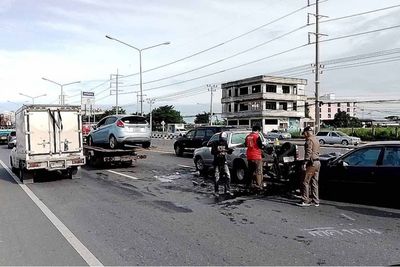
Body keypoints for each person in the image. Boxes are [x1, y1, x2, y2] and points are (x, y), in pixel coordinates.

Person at [298, 126, 321, 207]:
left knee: (306, 181)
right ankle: (316, 201)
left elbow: (309, 153)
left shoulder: (309, 140)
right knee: (315, 182)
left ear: (307, 132)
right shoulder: (316, 139)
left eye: (304, 133)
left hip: (311, 163)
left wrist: (305, 163)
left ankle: (305, 200)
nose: (304, 135)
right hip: (318, 162)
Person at [211, 131, 233, 197]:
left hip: (223, 161)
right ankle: (216, 191)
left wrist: (229, 151)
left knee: (228, 175)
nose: (222, 141)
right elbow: (213, 152)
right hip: (217, 162)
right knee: (216, 176)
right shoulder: (215, 143)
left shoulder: (225, 143)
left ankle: (227, 190)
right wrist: (219, 152)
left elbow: (227, 151)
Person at [245, 125, 264, 190]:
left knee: (250, 171)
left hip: (249, 156)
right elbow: (260, 146)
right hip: (256, 156)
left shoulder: (248, 136)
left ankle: (248, 184)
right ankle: (259, 186)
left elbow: (245, 144)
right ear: (258, 130)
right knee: (258, 171)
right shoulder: (257, 136)